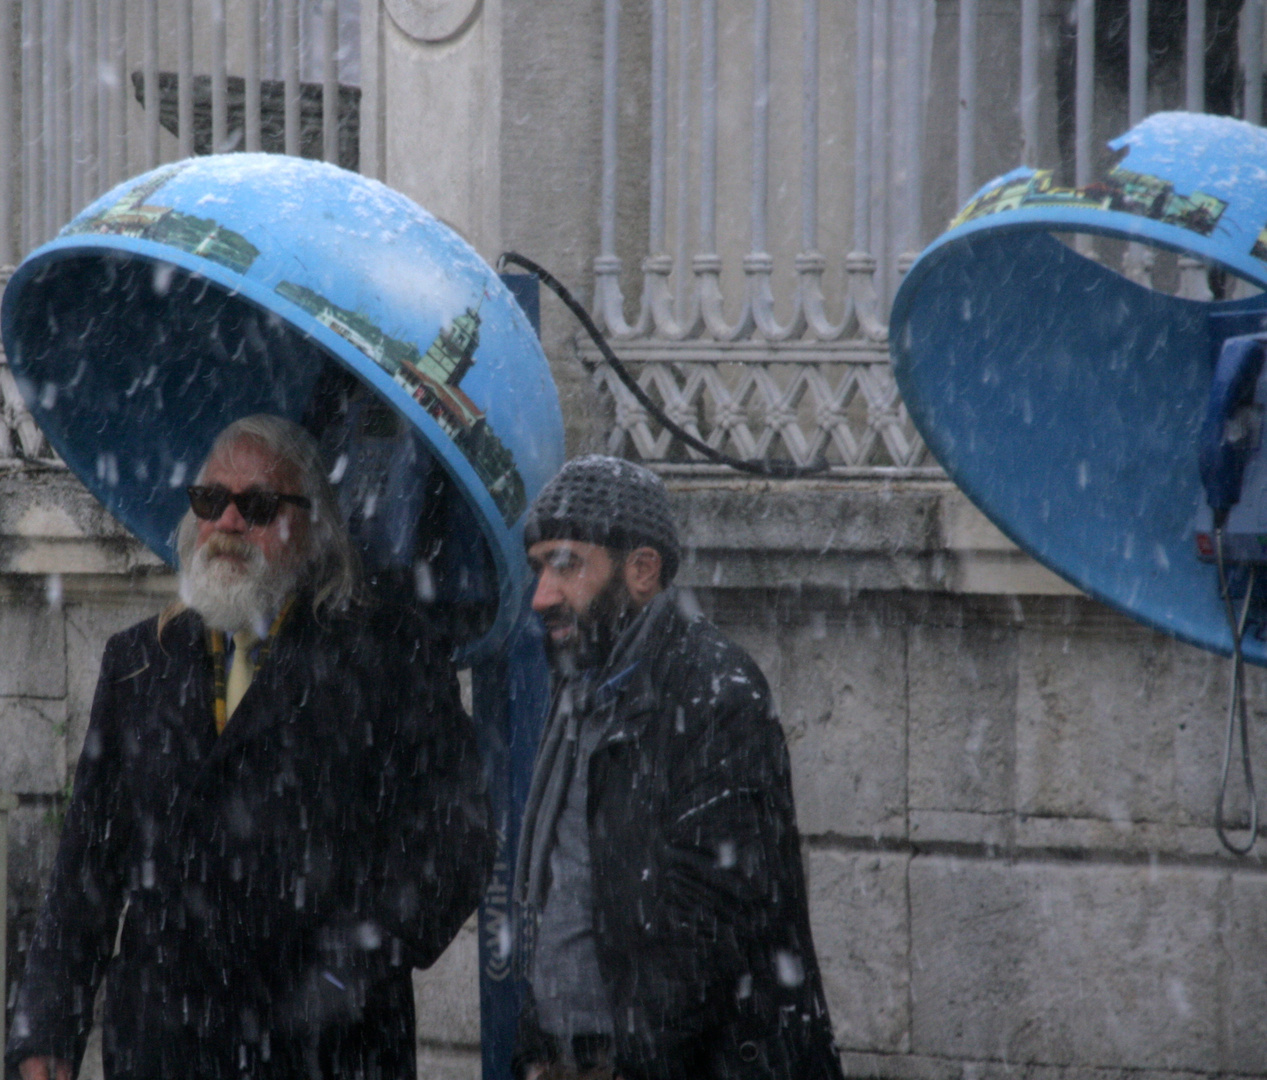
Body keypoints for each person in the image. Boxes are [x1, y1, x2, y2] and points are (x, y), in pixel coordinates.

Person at [6, 415, 492, 1080]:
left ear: (314, 526)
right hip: (163, 1048)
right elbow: (85, 871)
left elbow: (455, 842)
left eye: (258, 505)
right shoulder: (137, 663)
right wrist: (46, 1028)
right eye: (211, 500)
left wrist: (353, 958)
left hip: (326, 1049)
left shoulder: (389, 660)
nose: (228, 523)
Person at [511, 455, 844, 1080]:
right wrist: (541, 1049)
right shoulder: (584, 690)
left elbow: (705, 930)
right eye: (538, 568)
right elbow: (563, 899)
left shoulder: (714, 690)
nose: (542, 595)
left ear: (642, 570)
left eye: (566, 565)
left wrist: (629, 1064)